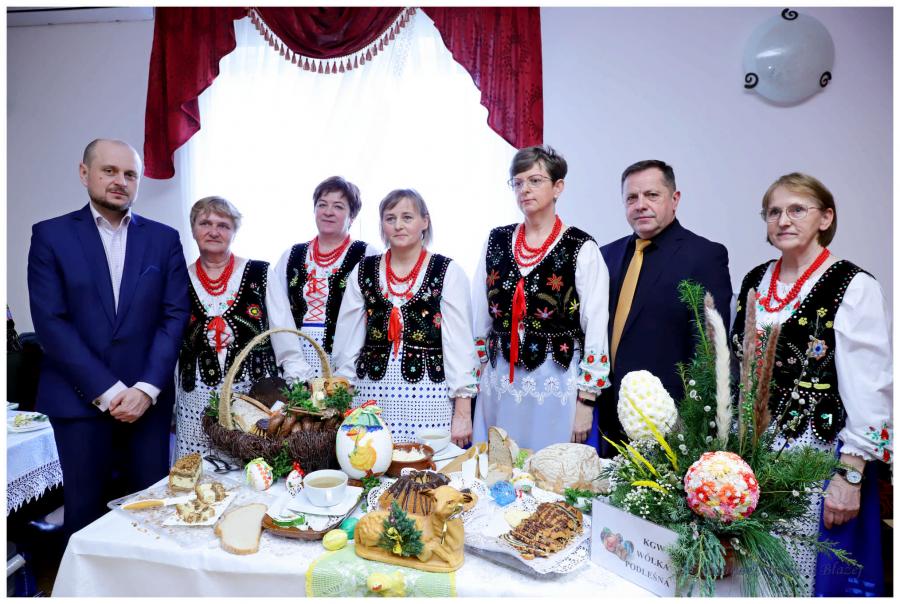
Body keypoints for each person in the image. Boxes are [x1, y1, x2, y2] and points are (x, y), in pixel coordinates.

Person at [730, 173, 891, 596]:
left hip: (814, 458)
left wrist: (849, 477)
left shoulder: (853, 286)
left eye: (797, 209)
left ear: (826, 217)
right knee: (747, 574)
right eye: (773, 212)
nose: (783, 220)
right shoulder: (754, 280)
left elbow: (871, 388)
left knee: (797, 572)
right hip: (749, 456)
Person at [27, 139, 190, 536]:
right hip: (78, 404)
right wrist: (110, 390)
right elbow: (51, 323)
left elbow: (174, 316)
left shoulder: (164, 239)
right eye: (109, 171)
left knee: (151, 517)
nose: (120, 181)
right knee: (85, 517)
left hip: (147, 405)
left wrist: (145, 389)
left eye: (130, 174)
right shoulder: (50, 236)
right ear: (85, 173)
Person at [472, 145, 611, 451]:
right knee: (499, 464)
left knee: (549, 466)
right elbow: (479, 316)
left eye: (535, 181)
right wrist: (478, 375)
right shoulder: (496, 240)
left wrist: (586, 401)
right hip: (500, 381)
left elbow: (596, 324)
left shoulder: (581, 247)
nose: (524, 189)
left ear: (558, 187)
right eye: (518, 182)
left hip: (555, 382)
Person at [598, 159, 732, 454]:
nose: (641, 205)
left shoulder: (704, 255)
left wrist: (692, 420)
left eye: (652, 195)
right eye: (631, 198)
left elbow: (708, 347)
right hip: (609, 416)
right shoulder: (605, 256)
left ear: (675, 199)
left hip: (670, 420)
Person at [332, 189, 479, 447]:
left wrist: (463, 414)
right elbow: (347, 342)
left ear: (425, 221)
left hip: (430, 398)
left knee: (428, 466)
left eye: (407, 217)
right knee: (369, 460)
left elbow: (460, 347)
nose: (398, 225)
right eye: (390, 218)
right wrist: (342, 398)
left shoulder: (448, 272)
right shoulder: (363, 270)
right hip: (371, 396)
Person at [175, 197, 282, 460]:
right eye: (205, 223)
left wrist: (294, 385)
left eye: (223, 225)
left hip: (254, 398)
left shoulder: (261, 273)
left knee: (253, 467)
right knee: (197, 470)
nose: (214, 231)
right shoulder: (177, 279)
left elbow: (283, 333)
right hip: (196, 398)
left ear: (234, 231)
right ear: (193, 229)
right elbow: (170, 341)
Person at [267, 176, 378, 379]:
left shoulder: (367, 255)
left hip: (348, 357)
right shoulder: (291, 255)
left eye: (338, 206)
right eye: (322, 204)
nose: (328, 212)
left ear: (352, 216)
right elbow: (277, 311)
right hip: (295, 356)